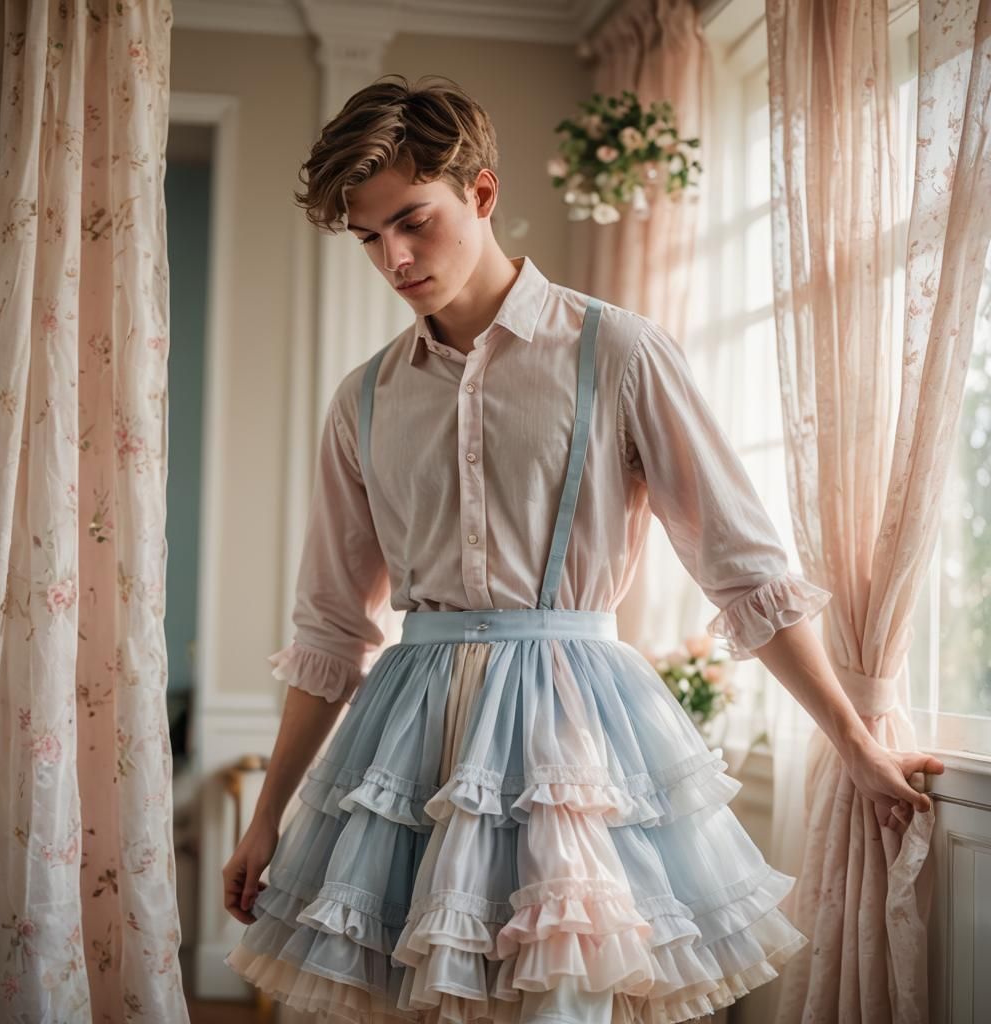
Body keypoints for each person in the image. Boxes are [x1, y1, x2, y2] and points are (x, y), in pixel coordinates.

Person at [222, 74, 944, 1023]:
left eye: (413, 220)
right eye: (368, 238)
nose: (393, 257)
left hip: (574, 731)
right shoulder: (363, 401)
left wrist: (854, 743)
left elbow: (741, 563)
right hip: (412, 743)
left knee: (564, 998)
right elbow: (330, 626)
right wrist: (268, 813)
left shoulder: (620, 352)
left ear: (480, 193)